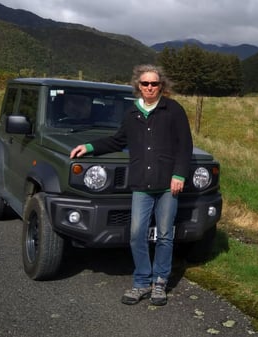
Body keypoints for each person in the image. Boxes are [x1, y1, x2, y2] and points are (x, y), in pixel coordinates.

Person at [70, 65, 193, 306]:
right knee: (137, 235)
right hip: (141, 186)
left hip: (168, 185)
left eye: (154, 84)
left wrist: (179, 175)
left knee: (165, 235)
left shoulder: (173, 110)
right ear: (138, 86)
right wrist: (90, 147)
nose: (149, 87)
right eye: (145, 84)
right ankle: (141, 282)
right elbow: (117, 141)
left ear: (161, 86)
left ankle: (160, 282)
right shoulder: (132, 114)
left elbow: (185, 146)